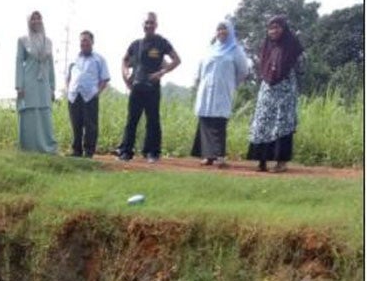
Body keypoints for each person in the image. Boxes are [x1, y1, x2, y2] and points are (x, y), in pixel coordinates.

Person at [116, 12, 180, 163]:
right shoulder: (135, 44)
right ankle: (125, 152)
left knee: (153, 120)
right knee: (132, 120)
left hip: (152, 88)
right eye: (147, 23)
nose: (149, 25)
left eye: (152, 23)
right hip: (137, 88)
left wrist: (162, 72)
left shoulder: (162, 42)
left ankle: (152, 153)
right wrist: (125, 76)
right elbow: (124, 60)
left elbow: (177, 60)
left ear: (156, 25)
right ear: (143, 25)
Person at [246, 15, 304, 173]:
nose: (273, 31)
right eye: (270, 28)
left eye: (277, 27)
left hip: (285, 89)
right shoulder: (266, 46)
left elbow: (300, 66)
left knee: (282, 124)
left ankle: (281, 163)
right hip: (267, 90)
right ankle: (262, 161)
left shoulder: (292, 45)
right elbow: (262, 66)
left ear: (284, 29)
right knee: (263, 122)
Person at [191, 21, 249, 167]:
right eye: (219, 29)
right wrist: (199, 83)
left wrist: (231, 83)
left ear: (230, 31)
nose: (221, 32)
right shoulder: (209, 49)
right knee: (205, 119)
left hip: (223, 90)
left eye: (224, 29)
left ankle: (219, 157)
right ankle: (207, 156)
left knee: (219, 121)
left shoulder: (235, 50)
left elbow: (243, 71)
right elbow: (199, 69)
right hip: (205, 89)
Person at [15, 11, 58, 154]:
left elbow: (51, 65)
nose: (36, 21)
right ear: (28, 21)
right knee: (29, 112)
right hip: (29, 81)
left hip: (44, 82)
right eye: (32, 18)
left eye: (38, 18)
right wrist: (19, 85)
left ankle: (47, 147)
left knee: (44, 112)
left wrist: (52, 87)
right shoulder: (22, 40)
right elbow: (19, 62)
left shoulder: (49, 42)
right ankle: (29, 148)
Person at [66, 30, 110, 158]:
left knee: (90, 125)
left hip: (90, 96)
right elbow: (69, 76)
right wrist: (68, 89)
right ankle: (76, 151)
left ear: (92, 42)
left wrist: (97, 92)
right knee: (76, 124)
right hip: (74, 96)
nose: (84, 43)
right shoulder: (74, 59)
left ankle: (89, 152)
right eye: (82, 40)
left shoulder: (99, 59)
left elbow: (105, 79)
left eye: (86, 40)